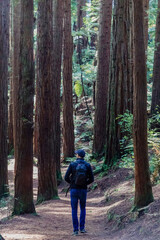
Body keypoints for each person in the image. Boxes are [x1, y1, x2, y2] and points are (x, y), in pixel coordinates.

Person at [65, 149, 94, 236]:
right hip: (83, 190)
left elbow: (66, 177)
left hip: (74, 189)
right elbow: (92, 179)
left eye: (76, 154)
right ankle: (82, 228)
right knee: (83, 208)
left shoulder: (72, 164)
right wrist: (85, 183)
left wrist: (72, 183)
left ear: (78, 155)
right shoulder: (87, 165)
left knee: (74, 209)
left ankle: (75, 230)